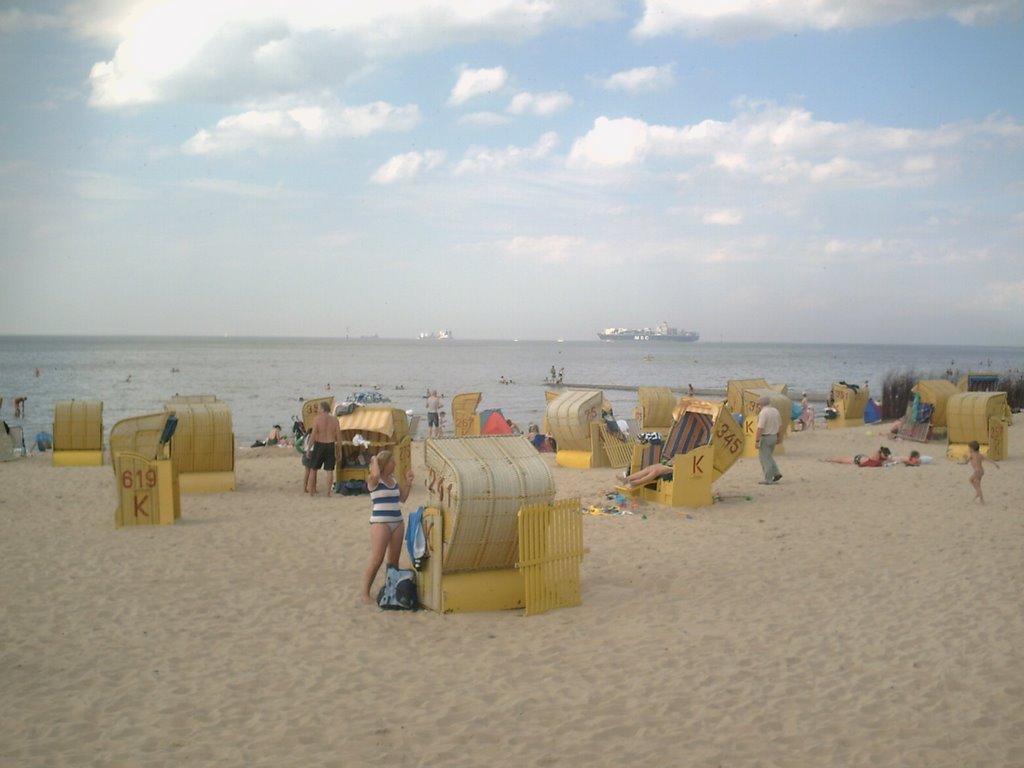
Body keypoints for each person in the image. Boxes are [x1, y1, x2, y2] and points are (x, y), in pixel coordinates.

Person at [361, 450, 414, 604]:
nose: (395, 464)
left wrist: (408, 482)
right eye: (392, 462)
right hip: (380, 522)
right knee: (377, 559)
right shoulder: (374, 480)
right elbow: (376, 475)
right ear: (384, 464)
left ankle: (391, 590)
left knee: (393, 561)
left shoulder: (392, 480)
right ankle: (365, 592)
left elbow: (402, 498)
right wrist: (373, 459)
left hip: (397, 521)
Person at [306, 401, 341, 496]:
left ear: (322, 409)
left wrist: (308, 449)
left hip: (319, 445)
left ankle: (311, 492)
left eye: (319, 408)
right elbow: (338, 436)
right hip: (330, 445)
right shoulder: (335, 420)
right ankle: (328, 493)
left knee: (313, 469)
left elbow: (313, 435)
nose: (317, 410)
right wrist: (339, 450)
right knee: (329, 470)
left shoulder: (317, 419)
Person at [755, 395, 782, 484]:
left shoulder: (763, 412)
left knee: (765, 459)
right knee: (769, 456)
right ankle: (776, 472)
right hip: (774, 435)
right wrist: (779, 437)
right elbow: (780, 425)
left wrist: (757, 440)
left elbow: (760, 428)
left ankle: (768, 479)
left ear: (760, 404)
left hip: (766, 437)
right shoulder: (775, 411)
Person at [962, 440, 999, 504]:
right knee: (977, 484)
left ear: (972, 449)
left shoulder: (972, 455)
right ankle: (978, 494)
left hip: (977, 471)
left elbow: (966, 462)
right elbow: (988, 459)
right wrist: (995, 464)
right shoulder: (980, 455)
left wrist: (964, 458)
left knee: (971, 480)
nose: (969, 449)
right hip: (981, 471)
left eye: (969, 448)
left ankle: (981, 498)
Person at [822, 446, 892, 466]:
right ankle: (828, 460)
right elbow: (875, 462)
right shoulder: (877, 455)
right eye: (885, 455)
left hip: (861, 458)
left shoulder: (878, 455)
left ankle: (828, 459)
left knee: (842, 460)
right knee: (841, 460)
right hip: (858, 460)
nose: (886, 456)